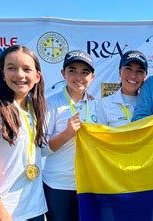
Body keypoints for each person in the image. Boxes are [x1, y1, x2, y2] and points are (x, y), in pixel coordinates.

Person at [0, 45, 47, 220]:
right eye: (12, 68)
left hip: (34, 209)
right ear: (2, 74)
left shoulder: (35, 108)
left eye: (27, 69)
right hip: (1, 211)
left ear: (37, 76)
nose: (20, 75)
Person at [43, 50, 98, 220]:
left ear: (92, 77)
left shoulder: (95, 104)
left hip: (89, 184)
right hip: (59, 185)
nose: (78, 77)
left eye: (85, 72)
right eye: (72, 70)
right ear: (63, 73)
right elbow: (42, 149)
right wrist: (67, 133)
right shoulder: (51, 104)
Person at [97, 50, 148, 126]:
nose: (133, 75)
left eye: (139, 71)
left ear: (145, 76)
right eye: (128, 69)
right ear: (120, 72)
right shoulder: (105, 104)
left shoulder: (150, 103)